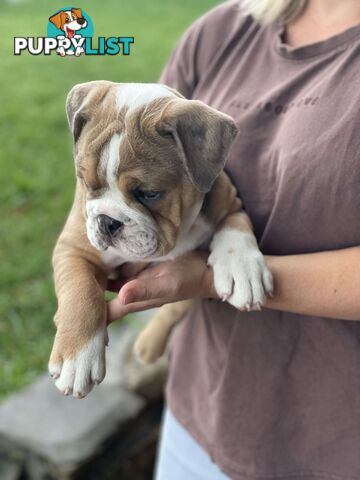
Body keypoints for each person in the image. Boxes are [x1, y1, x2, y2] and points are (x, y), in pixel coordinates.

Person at [107, 0, 360, 478]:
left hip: (332, 450)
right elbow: (138, 168)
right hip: (197, 419)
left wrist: (209, 278)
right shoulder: (222, 31)